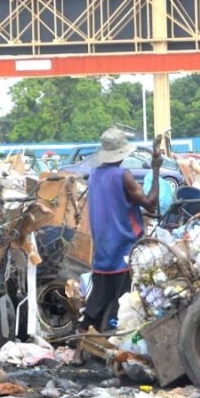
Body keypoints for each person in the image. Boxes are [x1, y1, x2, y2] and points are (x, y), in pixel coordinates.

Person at [78, 128, 162, 355]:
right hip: (126, 251)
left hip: (103, 253)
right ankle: (118, 351)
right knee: (124, 306)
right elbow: (151, 204)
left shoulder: (94, 175)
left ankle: (79, 349)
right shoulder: (122, 175)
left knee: (95, 306)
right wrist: (155, 170)